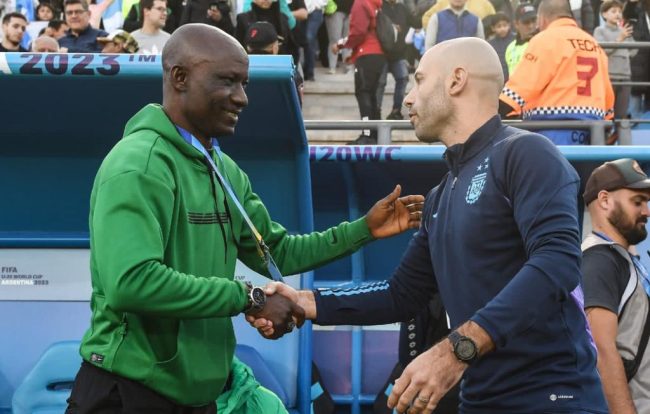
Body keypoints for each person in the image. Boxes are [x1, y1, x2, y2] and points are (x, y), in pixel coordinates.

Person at [64, 23, 424, 414]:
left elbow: (278, 252)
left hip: (197, 398)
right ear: (179, 77)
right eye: (227, 81)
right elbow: (132, 283)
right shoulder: (139, 164)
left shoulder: (223, 169)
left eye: (244, 83)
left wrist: (363, 230)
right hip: (126, 394)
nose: (242, 98)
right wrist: (249, 298)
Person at [251, 37, 608, 414]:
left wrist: (456, 351)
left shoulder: (526, 154)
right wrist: (305, 302)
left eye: (419, 80)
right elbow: (401, 294)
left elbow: (557, 262)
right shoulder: (441, 194)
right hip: (480, 401)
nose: (407, 98)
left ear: (456, 80)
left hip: (551, 399)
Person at [581, 158, 650, 414]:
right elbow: (601, 351)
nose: (647, 211)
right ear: (605, 200)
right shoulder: (599, 261)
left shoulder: (618, 258)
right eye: (637, 202)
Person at [499, 0, 614, 145]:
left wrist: (496, 111)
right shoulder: (594, 45)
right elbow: (607, 94)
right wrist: (608, 120)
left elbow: (520, 88)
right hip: (592, 130)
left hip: (552, 128)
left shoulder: (545, 40)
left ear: (542, 18)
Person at [332, 0, 385, 145]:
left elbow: (358, 32)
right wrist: (353, 56)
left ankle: (367, 134)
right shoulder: (374, 3)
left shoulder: (360, 3)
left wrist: (340, 45)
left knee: (363, 93)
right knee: (371, 95)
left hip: (366, 54)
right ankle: (376, 134)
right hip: (378, 54)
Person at [594, 0, 636, 144]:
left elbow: (634, 50)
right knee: (607, 113)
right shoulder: (599, 31)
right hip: (609, 77)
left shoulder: (624, 30)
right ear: (604, 14)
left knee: (622, 115)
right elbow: (602, 50)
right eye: (613, 11)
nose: (617, 14)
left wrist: (624, 50)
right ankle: (603, 142)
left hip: (625, 76)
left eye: (619, 11)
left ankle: (623, 145)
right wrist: (620, 39)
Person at [376, 0, 412, 120]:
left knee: (403, 78)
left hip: (398, 54)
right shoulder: (379, 7)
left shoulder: (402, 8)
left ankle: (396, 111)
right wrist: (391, 28)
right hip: (381, 53)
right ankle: (376, 111)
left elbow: (413, 23)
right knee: (380, 82)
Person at [504, 2, 536, 76]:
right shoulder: (510, 48)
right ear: (516, 24)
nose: (531, 26)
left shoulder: (543, 45)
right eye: (526, 22)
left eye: (534, 21)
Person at [487, 12, 514, 80]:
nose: (502, 29)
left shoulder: (515, 40)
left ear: (509, 25)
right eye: (499, 26)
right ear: (493, 28)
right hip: (499, 78)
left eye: (505, 25)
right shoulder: (491, 44)